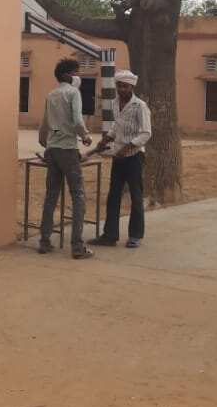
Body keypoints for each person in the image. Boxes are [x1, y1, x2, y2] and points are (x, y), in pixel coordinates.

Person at [36, 58, 94, 259]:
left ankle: (44, 241)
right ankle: (77, 247)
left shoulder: (51, 95)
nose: (78, 76)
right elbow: (77, 120)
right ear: (67, 75)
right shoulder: (73, 93)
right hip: (68, 149)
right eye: (76, 72)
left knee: (51, 195)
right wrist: (85, 136)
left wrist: (46, 143)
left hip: (53, 150)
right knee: (78, 196)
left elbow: (45, 123)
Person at [90, 69, 151, 249]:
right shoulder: (115, 103)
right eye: (119, 86)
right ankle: (109, 236)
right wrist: (106, 139)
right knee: (113, 196)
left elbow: (146, 133)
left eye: (125, 86)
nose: (121, 89)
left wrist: (128, 147)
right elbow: (117, 127)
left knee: (136, 196)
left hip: (134, 157)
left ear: (131, 86)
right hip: (118, 156)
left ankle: (135, 236)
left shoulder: (140, 106)